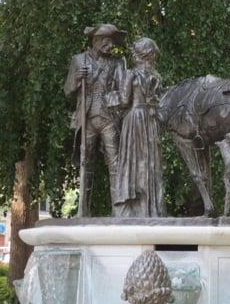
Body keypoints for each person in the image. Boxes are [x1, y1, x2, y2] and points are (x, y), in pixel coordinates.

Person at [64, 24, 127, 216]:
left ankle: (119, 211)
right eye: (107, 42)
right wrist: (76, 79)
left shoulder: (118, 63)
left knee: (115, 164)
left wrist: (112, 100)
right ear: (97, 41)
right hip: (88, 118)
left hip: (109, 119)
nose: (111, 46)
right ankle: (83, 211)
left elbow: (124, 92)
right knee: (86, 163)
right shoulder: (79, 60)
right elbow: (67, 90)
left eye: (112, 43)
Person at [115, 38, 166, 217]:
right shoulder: (156, 76)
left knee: (133, 161)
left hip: (134, 119)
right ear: (150, 55)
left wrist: (109, 98)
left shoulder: (131, 74)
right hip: (150, 120)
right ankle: (150, 209)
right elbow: (159, 102)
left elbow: (123, 101)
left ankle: (132, 205)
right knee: (150, 162)